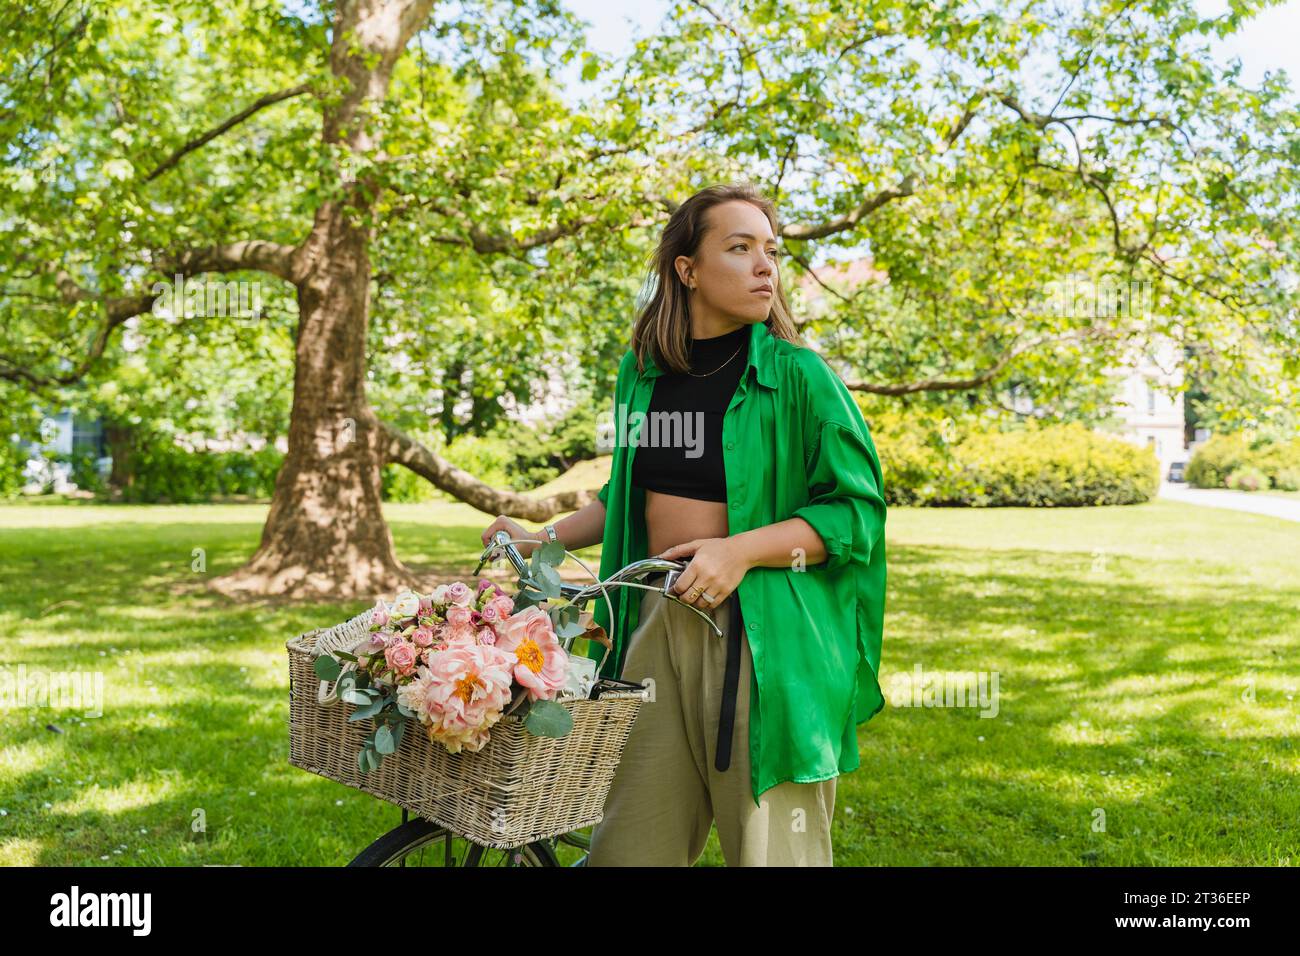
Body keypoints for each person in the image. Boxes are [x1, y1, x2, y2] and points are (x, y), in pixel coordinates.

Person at [480, 182, 887, 867]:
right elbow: (628, 497)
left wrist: (742, 552)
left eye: (771, 251)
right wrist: (535, 540)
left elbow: (855, 515)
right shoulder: (642, 376)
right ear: (687, 268)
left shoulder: (800, 378)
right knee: (627, 849)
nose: (766, 266)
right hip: (653, 621)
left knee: (770, 855)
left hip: (762, 641)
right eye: (740, 247)